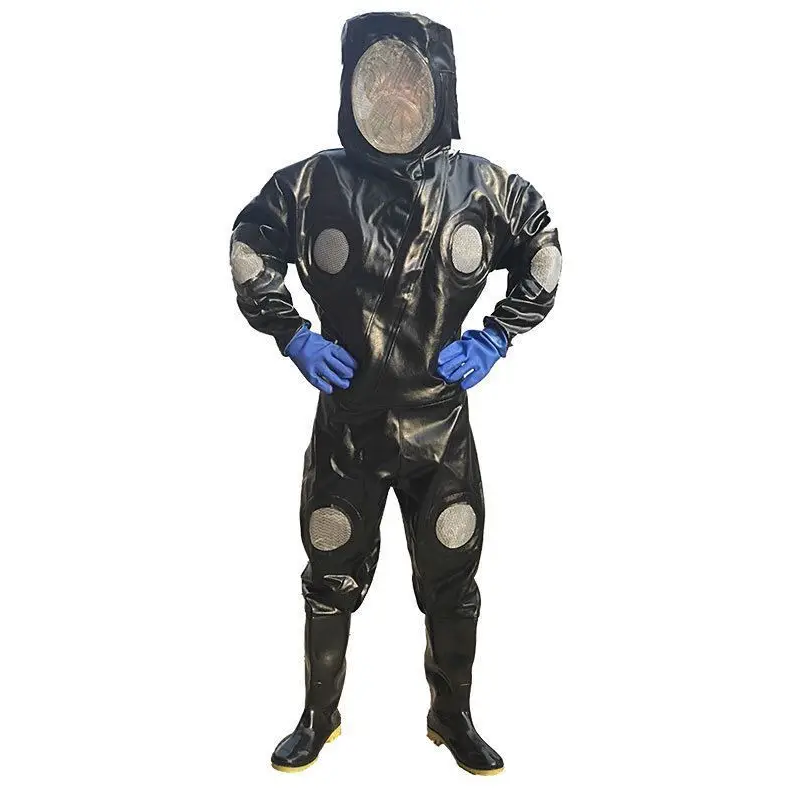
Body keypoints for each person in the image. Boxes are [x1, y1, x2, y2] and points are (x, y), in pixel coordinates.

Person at [229, 11, 562, 775]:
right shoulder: (313, 185)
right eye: (377, 79)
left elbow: (541, 247)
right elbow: (251, 242)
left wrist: (497, 335)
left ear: (438, 87)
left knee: (452, 579)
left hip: (439, 430)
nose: (393, 96)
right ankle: (319, 716)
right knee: (328, 572)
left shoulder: (482, 189)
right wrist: (292, 333)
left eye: (409, 81)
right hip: (348, 427)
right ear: (351, 85)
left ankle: (453, 717)